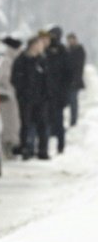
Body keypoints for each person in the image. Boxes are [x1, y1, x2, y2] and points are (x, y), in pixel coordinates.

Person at [11, 36, 49, 159]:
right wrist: (22, 92)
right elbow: (15, 78)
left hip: (40, 99)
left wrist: (46, 94)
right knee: (26, 124)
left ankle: (42, 150)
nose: (41, 47)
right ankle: (26, 148)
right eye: (39, 44)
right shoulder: (22, 60)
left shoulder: (42, 60)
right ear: (33, 45)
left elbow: (47, 80)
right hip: (26, 99)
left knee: (42, 124)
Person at [42, 26, 70, 154]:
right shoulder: (45, 51)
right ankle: (45, 146)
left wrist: (65, 94)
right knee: (45, 121)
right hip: (47, 93)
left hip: (58, 94)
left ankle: (60, 145)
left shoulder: (63, 52)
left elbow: (68, 75)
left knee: (58, 122)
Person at [0, 36, 22, 157]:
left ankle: (10, 147)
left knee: (12, 123)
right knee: (9, 124)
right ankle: (7, 148)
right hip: (8, 97)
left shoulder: (11, 59)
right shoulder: (8, 60)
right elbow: (4, 77)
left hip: (11, 95)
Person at [66, 32, 86, 127]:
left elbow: (79, 67)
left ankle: (73, 120)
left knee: (73, 101)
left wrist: (76, 80)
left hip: (75, 81)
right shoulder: (67, 50)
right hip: (67, 80)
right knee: (70, 101)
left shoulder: (79, 50)